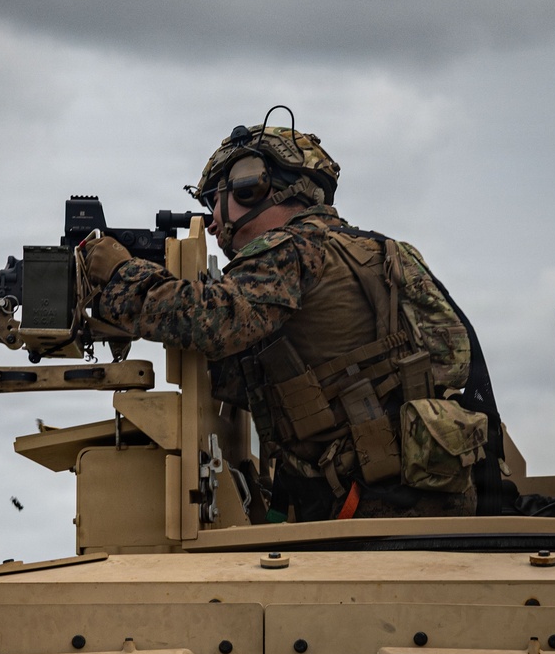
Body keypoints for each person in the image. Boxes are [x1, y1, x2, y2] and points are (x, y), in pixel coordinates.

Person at [83, 108, 499, 522]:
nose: (212, 224)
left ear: (252, 188)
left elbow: (214, 322)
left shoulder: (291, 249)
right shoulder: (374, 250)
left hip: (369, 506)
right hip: (418, 497)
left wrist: (121, 276)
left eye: (216, 201)